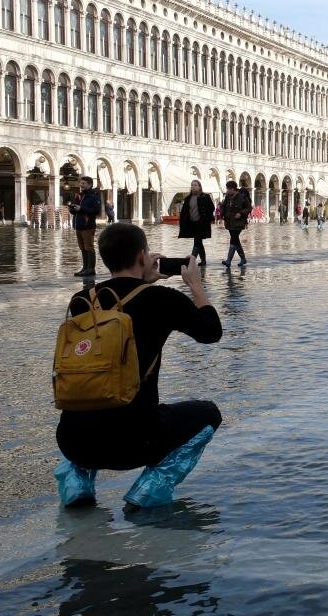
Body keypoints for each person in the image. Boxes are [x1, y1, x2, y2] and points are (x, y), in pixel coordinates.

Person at [54, 222, 223, 510]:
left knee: (89, 403)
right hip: (134, 443)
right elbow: (211, 332)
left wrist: (143, 284)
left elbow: (125, 301)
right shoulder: (161, 299)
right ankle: (148, 491)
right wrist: (195, 284)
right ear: (143, 257)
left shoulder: (81, 300)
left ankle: (76, 483)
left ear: (105, 259)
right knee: (209, 414)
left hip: (73, 442)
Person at [67, 176, 101, 277]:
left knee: (89, 247)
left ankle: (91, 269)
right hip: (78, 225)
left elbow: (96, 211)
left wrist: (81, 208)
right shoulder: (79, 196)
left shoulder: (94, 196)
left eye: (83, 183)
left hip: (88, 225)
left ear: (90, 185)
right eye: (81, 183)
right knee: (82, 247)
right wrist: (72, 209)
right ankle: (85, 268)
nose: (81, 185)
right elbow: (76, 210)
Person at [178, 180, 214, 266]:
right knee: (198, 242)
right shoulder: (188, 198)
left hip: (202, 223)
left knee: (197, 241)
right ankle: (203, 260)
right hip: (192, 223)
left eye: (195, 185)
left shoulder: (205, 197)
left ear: (199, 187)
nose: (193, 187)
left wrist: (207, 218)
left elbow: (211, 208)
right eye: (192, 185)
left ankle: (192, 259)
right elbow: (184, 212)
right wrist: (182, 222)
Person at [220, 181, 251, 267]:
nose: (227, 190)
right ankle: (241, 259)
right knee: (234, 240)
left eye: (228, 189)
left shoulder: (242, 197)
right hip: (229, 222)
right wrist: (222, 214)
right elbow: (223, 206)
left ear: (233, 189)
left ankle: (230, 260)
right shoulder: (227, 197)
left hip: (238, 222)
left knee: (234, 239)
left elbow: (249, 208)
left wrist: (241, 213)